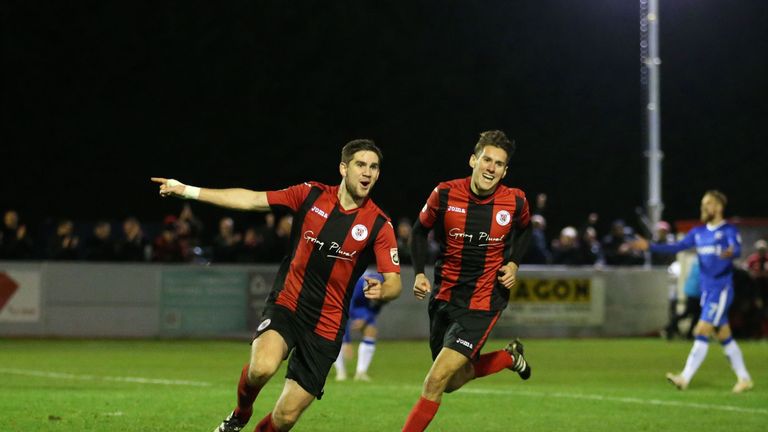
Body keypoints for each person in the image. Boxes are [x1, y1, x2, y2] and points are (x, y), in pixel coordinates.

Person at [152, 138, 402, 432]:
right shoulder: (310, 195)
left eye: (374, 167)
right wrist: (188, 191)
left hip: (327, 325)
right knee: (261, 368)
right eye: (361, 164)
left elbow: (395, 282)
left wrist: (383, 291)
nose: (368, 172)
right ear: (343, 168)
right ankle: (240, 414)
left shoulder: (379, 224)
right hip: (288, 304)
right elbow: (252, 199)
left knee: (284, 418)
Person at [402, 130, 532, 432]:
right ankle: (508, 358)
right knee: (450, 382)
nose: (491, 168)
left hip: (483, 303)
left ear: (505, 171)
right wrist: (419, 272)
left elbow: (525, 230)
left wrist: (513, 263)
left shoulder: (514, 201)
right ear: (473, 160)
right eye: (487, 160)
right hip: (445, 298)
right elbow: (420, 232)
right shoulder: (445, 194)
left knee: (434, 380)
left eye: (499, 164)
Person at [632, 190, 754, 393]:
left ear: (719, 207)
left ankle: (684, 378)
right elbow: (676, 247)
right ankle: (744, 378)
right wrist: (650, 246)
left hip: (720, 289)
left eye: (708, 204)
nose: (704, 208)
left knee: (701, 330)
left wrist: (733, 251)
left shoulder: (728, 230)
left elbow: (736, 248)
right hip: (706, 291)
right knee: (724, 335)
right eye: (703, 204)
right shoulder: (699, 233)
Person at [333, 270, 386, 382]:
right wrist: (346, 341)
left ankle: (361, 372)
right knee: (335, 332)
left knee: (371, 330)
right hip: (339, 303)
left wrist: (365, 319)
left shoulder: (384, 289)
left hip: (361, 307)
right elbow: (345, 312)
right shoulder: (355, 286)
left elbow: (376, 308)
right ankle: (341, 372)